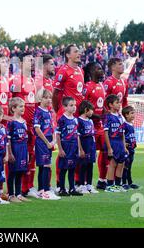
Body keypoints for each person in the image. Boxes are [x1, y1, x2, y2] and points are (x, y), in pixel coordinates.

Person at [52, 44, 84, 192]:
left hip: (76, 115)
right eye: (76, 51)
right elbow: (55, 93)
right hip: (64, 114)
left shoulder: (80, 70)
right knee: (63, 150)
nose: (79, 53)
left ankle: (74, 185)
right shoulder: (63, 70)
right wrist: (58, 109)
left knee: (74, 150)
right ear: (68, 55)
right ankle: (60, 184)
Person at [10, 52, 37, 198]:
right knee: (15, 157)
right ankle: (11, 190)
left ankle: (28, 187)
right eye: (29, 60)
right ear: (20, 64)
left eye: (33, 60)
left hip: (30, 125)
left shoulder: (32, 80)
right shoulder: (16, 80)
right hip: (18, 127)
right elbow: (11, 102)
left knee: (30, 156)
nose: (32, 62)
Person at [82, 62, 108, 190]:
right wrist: (98, 117)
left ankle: (102, 180)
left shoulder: (102, 86)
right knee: (87, 156)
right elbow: (83, 108)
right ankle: (83, 183)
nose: (102, 71)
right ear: (91, 71)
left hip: (100, 126)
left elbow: (101, 105)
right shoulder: (87, 87)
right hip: (89, 126)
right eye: (98, 68)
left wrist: (105, 114)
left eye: (102, 68)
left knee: (106, 151)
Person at [33, 89, 60, 200]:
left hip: (48, 141)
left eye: (50, 97)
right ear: (40, 99)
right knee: (45, 166)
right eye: (46, 97)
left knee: (44, 166)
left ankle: (41, 190)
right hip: (42, 142)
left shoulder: (49, 112)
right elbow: (37, 129)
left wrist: (53, 141)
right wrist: (47, 142)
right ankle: (45, 191)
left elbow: (52, 128)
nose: (49, 100)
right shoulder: (38, 111)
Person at [56, 97, 83, 197]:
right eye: (71, 105)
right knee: (64, 168)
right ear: (65, 107)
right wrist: (60, 149)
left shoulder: (75, 120)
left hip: (74, 146)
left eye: (74, 105)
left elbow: (77, 135)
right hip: (65, 145)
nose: (74, 107)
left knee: (72, 168)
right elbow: (58, 135)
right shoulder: (62, 119)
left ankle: (72, 188)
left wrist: (79, 148)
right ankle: (62, 189)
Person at [6, 97, 30, 203]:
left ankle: (19, 194)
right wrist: (10, 153)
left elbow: (25, 138)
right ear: (13, 108)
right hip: (15, 148)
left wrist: (27, 152)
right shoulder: (11, 122)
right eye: (20, 106)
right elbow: (8, 139)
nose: (23, 108)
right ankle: (11, 195)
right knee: (12, 172)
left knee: (20, 172)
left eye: (23, 106)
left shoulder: (24, 121)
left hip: (23, 148)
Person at [104, 94, 129, 193]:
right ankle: (110, 185)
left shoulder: (121, 117)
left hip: (120, 143)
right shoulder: (107, 117)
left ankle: (118, 185)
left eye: (119, 102)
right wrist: (109, 148)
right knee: (112, 164)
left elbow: (122, 133)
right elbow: (106, 133)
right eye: (117, 103)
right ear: (110, 105)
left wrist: (124, 146)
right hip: (112, 141)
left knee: (121, 163)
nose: (119, 104)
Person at [76, 100, 99, 194]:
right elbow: (78, 136)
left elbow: (93, 135)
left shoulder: (90, 121)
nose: (92, 112)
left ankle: (89, 185)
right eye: (91, 110)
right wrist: (80, 149)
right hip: (84, 145)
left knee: (90, 165)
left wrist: (94, 148)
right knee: (83, 166)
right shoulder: (79, 121)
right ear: (86, 110)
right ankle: (81, 185)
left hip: (91, 145)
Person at [121, 106, 140, 190]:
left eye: (134, 113)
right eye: (131, 113)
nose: (133, 115)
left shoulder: (131, 124)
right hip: (127, 149)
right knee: (125, 166)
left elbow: (132, 136)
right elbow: (122, 136)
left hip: (132, 149)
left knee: (129, 166)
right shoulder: (124, 125)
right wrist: (124, 144)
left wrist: (134, 143)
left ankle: (130, 182)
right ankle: (124, 183)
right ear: (126, 115)